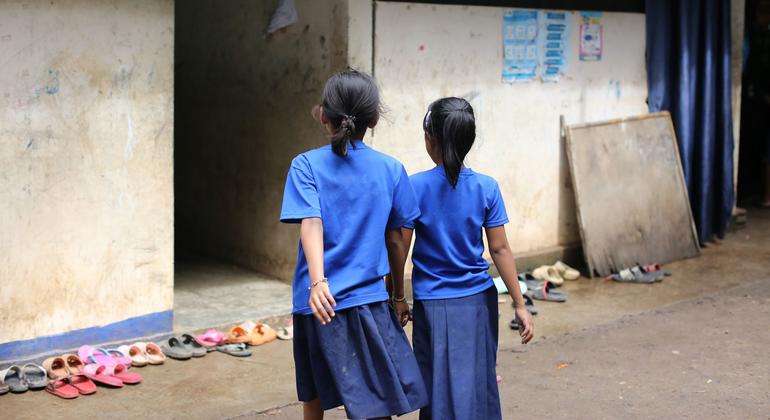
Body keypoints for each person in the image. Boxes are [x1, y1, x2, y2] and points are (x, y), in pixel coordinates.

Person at [279, 70, 428, 420]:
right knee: (375, 401)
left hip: (316, 303)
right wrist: (397, 293)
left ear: (323, 116)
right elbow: (398, 237)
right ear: (374, 119)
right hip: (368, 303)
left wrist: (318, 283)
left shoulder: (305, 165)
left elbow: (311, 222)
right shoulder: (391, 169)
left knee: (313, 395)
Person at [398, 97, 534, 420]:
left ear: (431, 140)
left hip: (433, 304)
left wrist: (396, 297)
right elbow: (500, 249)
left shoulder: (414, 187)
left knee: (437, 386)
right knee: (477, 382)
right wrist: (519, 302)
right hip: (477, 302)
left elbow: (399, 249)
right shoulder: (487, 187)